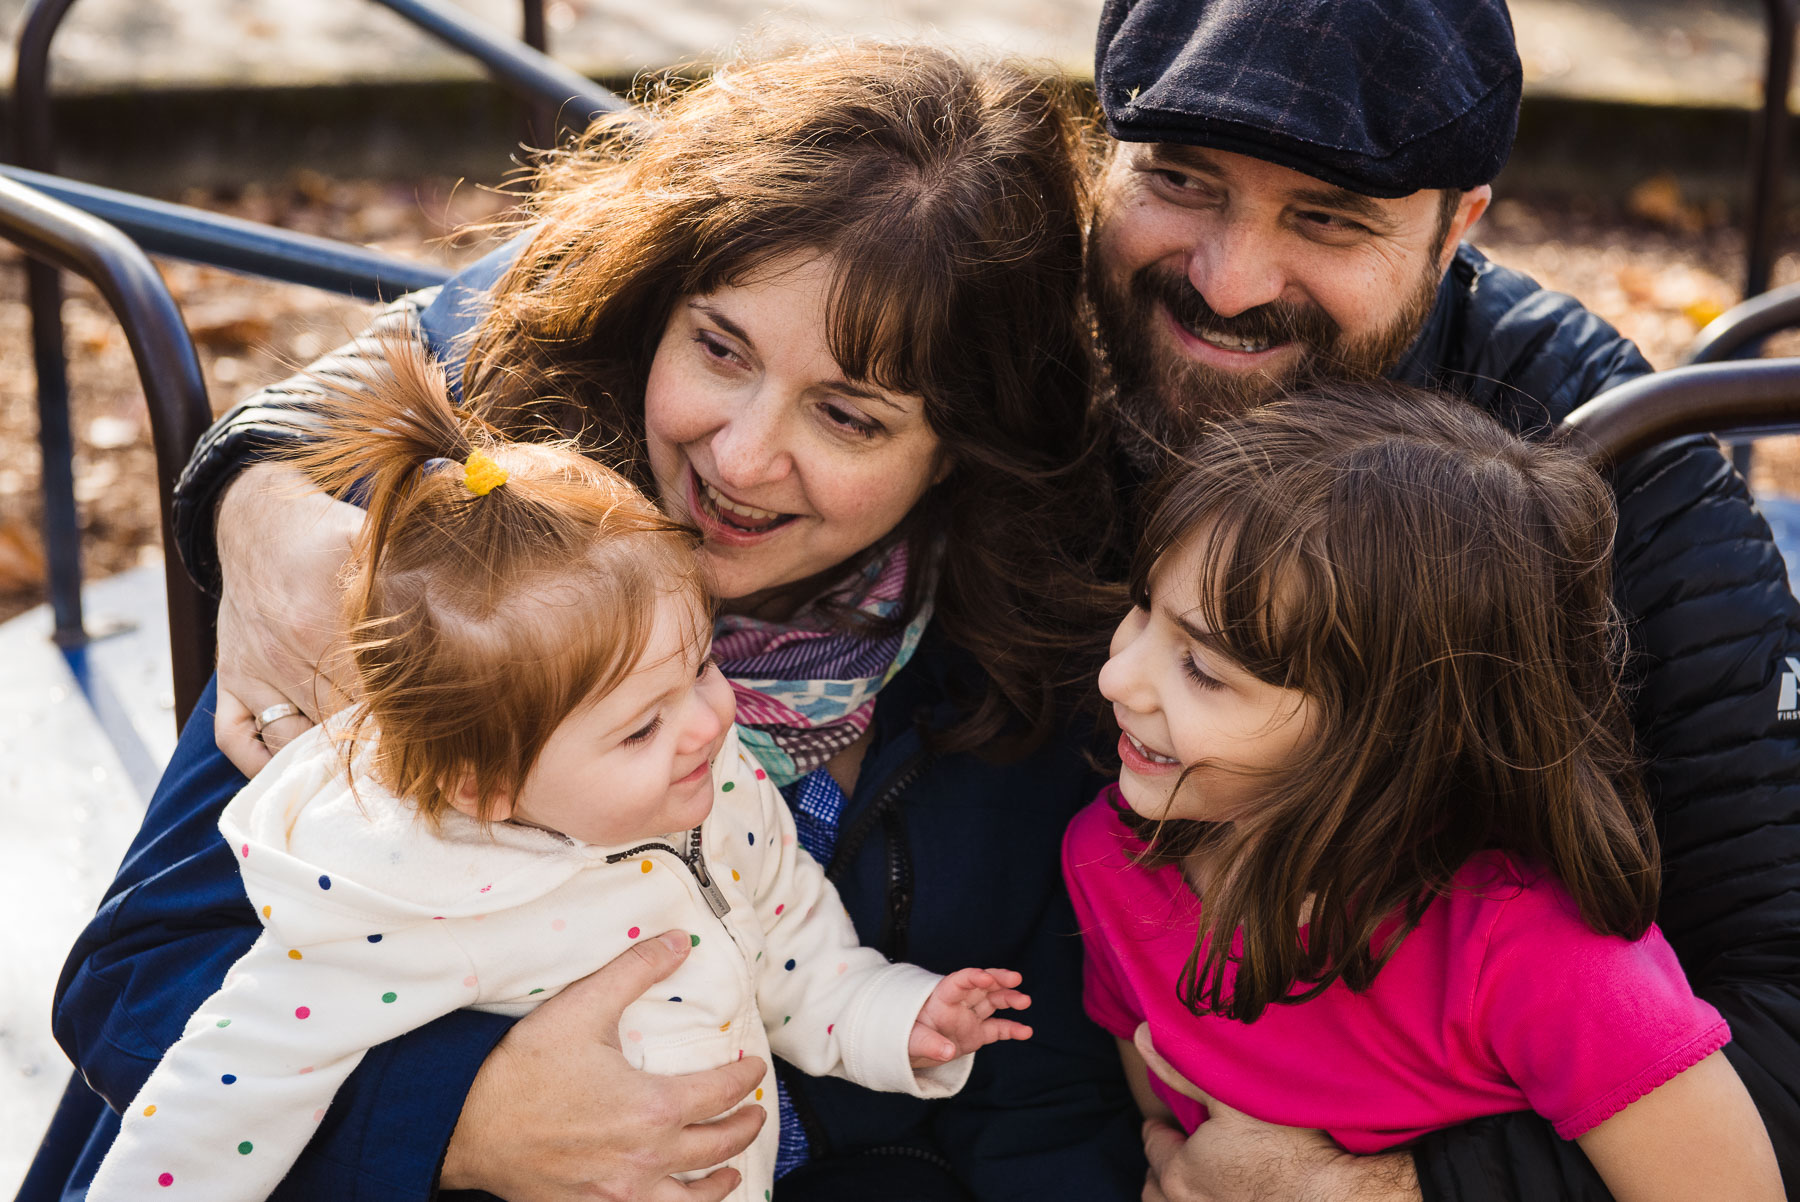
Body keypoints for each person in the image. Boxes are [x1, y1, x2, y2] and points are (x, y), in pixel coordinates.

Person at [23, 43, 1144, 1202]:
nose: (743, 455)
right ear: (656, 309)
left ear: (963, 445)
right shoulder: (470, 573)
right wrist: (463, 1116)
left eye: (849, 416)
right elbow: (140, 975)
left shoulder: (1031, 658)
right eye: (720, 348)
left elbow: (1036, 1092)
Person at [1081, 1, 1800, 1198]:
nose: (1230, 281)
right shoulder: (1003, 343)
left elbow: (1785, 1009)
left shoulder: (1604, 465)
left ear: (1459, 222)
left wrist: (1391, 1189)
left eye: (1326, 217)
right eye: (1182, 180)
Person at [87, 351, 1034, 1202]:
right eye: (639, 728)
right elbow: (221, 1100)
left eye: (700, 665)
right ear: (486, 788)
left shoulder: (712, 784)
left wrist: (895, 1016)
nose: (711, 719)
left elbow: (786, 938)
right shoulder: (405, 904)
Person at [1063, 384, 1786, 1202]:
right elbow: (1172, 1144)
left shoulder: (1540, 958)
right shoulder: (1110, 859)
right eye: (1142, 608)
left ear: (1388, 738)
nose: (1116, 676)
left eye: (1202, 669)